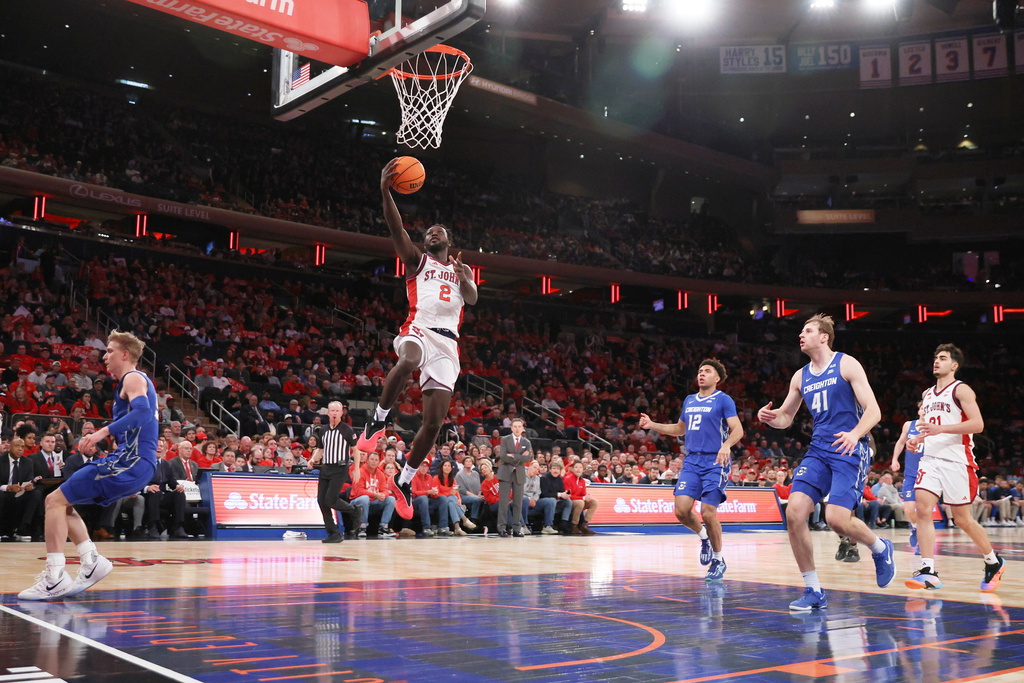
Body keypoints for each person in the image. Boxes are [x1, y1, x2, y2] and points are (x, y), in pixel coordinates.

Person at [357, 159, 479, 521]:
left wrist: (467, 278)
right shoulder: (417, 261)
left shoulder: (459, 272)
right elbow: (397, 231)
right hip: (418, 330)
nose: (432, 234)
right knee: (408, 360)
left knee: (434, 424)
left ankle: (405, 481)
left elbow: (471, 299)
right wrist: (385, 192)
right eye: (428, 232)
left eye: (438, 231)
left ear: (448, 240)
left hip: (448, 345)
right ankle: (378, 420)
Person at [757, 314, 894, 611]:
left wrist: (856, 434)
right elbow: (785, 417)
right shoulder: (800, 376)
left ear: (824, 337)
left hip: (849, 447)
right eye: (801, 331)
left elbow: (874, 410)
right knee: (794, 513)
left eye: (807, 331)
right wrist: (769, 418)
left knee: (836, 519)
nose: (801, 335)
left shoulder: (846, 364)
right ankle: (813, 590)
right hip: (819, 449)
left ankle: (881, 548)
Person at [19, 331, 159, 600]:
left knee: (53, 501)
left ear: (125, 354)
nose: (104, 356)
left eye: (109, 351)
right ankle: (91, 560)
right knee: (62, 502)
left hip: (132, 463)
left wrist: (100, 433)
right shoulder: (133, 382)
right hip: (132, 463)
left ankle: (55, 578)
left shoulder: (132, 377)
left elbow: (142, 413)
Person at [906, 344, 1006, 592]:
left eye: (942, 358)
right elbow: (926, 426)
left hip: (957, 461)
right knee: (922, 510)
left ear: (954, 365)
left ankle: (993, 561)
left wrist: (942, 430)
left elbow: (978, 424)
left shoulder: (961, 389)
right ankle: (928, 570)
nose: (936, 362)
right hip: (930, 459)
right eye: (935, 357)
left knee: (963, 519)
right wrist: (917, 439)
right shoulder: (928, 394)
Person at [640, 359, 743, 582]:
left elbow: (738, 430)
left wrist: (726, 446)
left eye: (707, 371)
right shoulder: (689, 400)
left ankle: (718, 559)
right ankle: (704, 538)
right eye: (699, 371)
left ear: (717, 378)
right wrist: (653, 424)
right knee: (681, 511)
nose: (701, 374)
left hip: (715, 460)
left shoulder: (724, 400)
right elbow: (680, 428)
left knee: (708, 512)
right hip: (692, 462)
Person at [308, 401, 361, 544]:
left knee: (331, 499)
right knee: (321, 501)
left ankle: (354, 510)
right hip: (325, 468)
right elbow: (320, 449)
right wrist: (312, 459)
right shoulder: (323, 430)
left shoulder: (347, 430)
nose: (334, 413)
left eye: (337, 411)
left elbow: (356, 451)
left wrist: (356, 469)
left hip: (340, 468)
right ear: (328, 413)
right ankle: (334, 533)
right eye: (332, 410)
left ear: (341, 413)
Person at [891, 402, 924, 554]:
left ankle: (922, 545)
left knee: (925, 511)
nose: (926, 410)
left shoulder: (935, 427)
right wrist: (895, 459)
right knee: (909, 509)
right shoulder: (909, 425)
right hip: (911, 473)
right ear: (919, 410)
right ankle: (915, 528)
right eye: (924, 407)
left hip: (928, 473)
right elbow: (900, 442)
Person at [497, 418, 532, 537]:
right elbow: (503, 457)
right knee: (503, 502)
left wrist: (513, 456)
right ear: (511, 427)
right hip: (505, 473)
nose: (517, 429)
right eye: (515, 426)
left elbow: (528, 458)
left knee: (518, 503)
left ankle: (517, 528)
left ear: (523, 428)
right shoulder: (505, 439)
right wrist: (519, 457)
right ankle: (501, 528)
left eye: (519, 426)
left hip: (519, 474)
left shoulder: (526, 442)